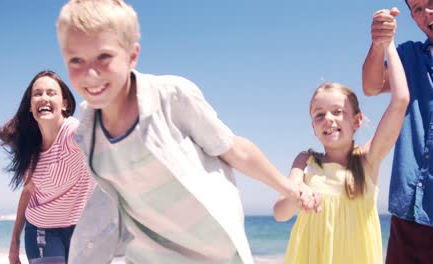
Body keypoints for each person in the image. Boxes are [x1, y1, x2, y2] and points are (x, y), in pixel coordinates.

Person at [55, 0, 319, 263]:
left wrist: (290, 189)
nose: (90, 73)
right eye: (76, 60)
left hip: (216, 253)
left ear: (132, 55)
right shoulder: (88, 134)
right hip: (150, 256)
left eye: (104, 57)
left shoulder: (170, 98)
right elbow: (106, 208)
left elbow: (234, 150)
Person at [273, 35, 409, 262]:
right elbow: (280, 214)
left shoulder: (368, 159)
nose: (328, 119)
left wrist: (388, 44)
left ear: (356, 121)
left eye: (338, 112)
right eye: (319, 115)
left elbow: (401, 100)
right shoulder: (306, 162)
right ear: (313, 127)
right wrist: (296, 194)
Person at [0, 70, 94, 264]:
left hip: (81, 228)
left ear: (64, 104)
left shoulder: (72, 133)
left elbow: (94, 135)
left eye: (51, 93)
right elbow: (29, 191)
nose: (43, 98)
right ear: (30, 107)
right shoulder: (30, 147)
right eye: (37, 94)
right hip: (41, 231)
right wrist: (14, 243)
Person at [362, 2, 433, 263]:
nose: (427, 13)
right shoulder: (409, 55)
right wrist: (380, 42)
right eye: (417, 9)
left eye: (431, 3)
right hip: (409, 214)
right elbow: (371, 86)